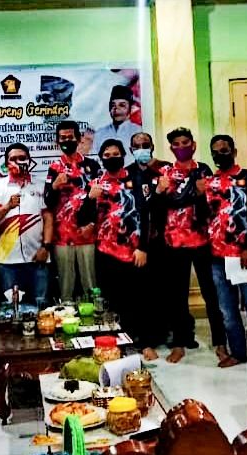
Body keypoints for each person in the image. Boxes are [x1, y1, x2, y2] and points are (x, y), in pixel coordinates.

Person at [150, 127, 226, 364]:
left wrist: (200, 195)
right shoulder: (165, 172)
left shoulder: (203, 170)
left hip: (202, 240)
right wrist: (159, 192)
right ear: (171, 148)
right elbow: (156, 207)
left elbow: (211, 205)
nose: (181, 147)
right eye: (176, 144)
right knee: (177, 296)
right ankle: (179, 343)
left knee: (211, 294)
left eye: (185, 143)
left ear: (193, 145)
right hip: (174, 243)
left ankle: (220, 343)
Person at [198, 135, 247, 367]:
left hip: (243, 255)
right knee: (227, 311)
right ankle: (238, 353)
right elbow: (203, 216)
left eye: (224, 150)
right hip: (217, 257)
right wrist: (199, 195)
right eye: (215, 152)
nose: (220, 155)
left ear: (234, 152)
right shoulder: (209, 182)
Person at [78, 139, 149, 352]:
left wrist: (143, 247)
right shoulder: (96, 183)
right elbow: (82, 218)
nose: (111, 158)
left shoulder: (136, 179)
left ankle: (144, 342)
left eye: (115, 154)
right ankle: (119, 343)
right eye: (107, 155)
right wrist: (90, 198)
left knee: (139, 298)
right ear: (101, 158)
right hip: (106, 251)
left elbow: (146, 215)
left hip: (134, 251)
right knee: (112, 299)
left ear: (123, 155)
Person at [0, 143, 53, 304]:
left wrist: (46, 247)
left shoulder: (41, 186)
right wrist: (8, 206)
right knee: (13, 307)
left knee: (41, 305)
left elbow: (48, 218)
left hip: (38, 257)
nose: (18, 162)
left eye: (22, 158)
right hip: (8, 260)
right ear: (6, 163)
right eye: (13, 159)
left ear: (29, 160)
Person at [45, 120, 100, 300]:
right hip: (62, 236)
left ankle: (94, 315)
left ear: (78, 139)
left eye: (70, 137)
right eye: (63, 138)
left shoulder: (92, 166)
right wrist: (54, 186)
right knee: (66, 286)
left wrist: (92, 224)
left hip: (87, 233)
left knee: (90, 284)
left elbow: (100, 200)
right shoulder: (54, 168)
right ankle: (67, 313)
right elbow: (47, 202)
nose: (67, 141)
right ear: (57, 141)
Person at [126, 132, 167, 360]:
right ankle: (143, 340)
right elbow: (139, 209)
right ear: (131, 150)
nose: (141, 148)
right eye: (137, 145)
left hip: (162, 241)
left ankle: (160, 335)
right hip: (138, 243)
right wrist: (157, 194)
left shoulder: (162, 172)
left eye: (145, 144)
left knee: (159, 291)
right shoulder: (127, 175)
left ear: (152, 146)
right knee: (139, 293)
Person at [92, 85, 143, 162]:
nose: (116, 109)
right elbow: (95, 159)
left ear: (130, 108)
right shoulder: (100, 133)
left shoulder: (138, 131)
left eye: (122, 105)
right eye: (113, 105)